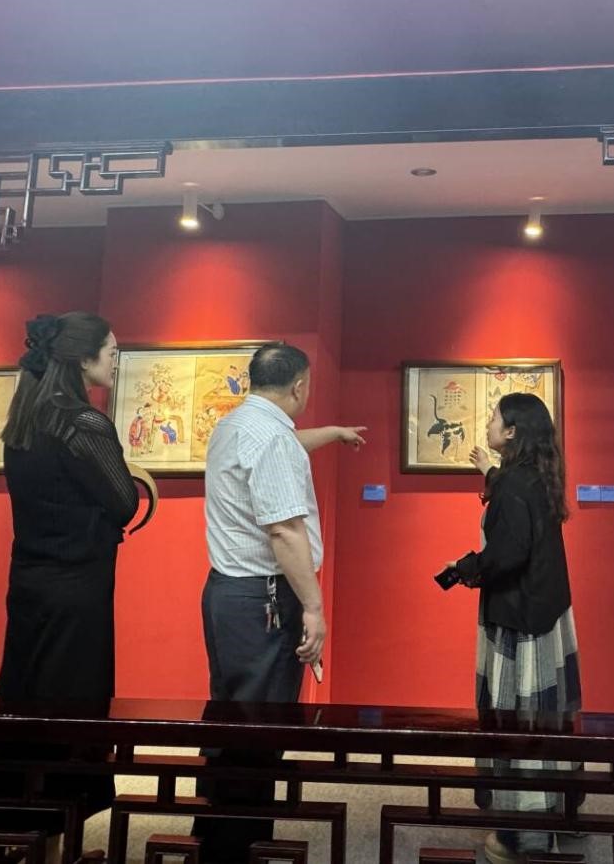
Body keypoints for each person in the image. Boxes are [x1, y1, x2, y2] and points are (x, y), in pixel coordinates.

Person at [0, 312, 138, 851]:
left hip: (29, 582)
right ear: (83, 359)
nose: (116, 360)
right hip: (77, 589)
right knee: (69, 715)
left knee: (21, 704)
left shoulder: (25, 419)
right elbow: (123, 501)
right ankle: (52, 840)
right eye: (111, 351)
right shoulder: (83, 422)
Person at [195, 341, 366, 864]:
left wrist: (332, 433)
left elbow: (285, 444)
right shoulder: (272, 439)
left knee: (231, 717)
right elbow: (286, 532)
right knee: (259, 726)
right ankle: (235, 847)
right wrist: (314, 607)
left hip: (227, 593)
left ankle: (217, 832)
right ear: (299, 385)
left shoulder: (236, 424)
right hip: (263, 597)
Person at [447, 393, 582, 864]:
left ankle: (518, 836)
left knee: (515, 723)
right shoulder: (538, 476)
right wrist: (491, 473)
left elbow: (506, 553)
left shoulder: (513, 485)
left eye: (493, 419)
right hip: (548, 617)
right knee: (547, 721)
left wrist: (465, 568)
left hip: (518, 626)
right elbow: (519, 518)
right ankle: (558, 816)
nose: (487, 424)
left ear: (511, 432)